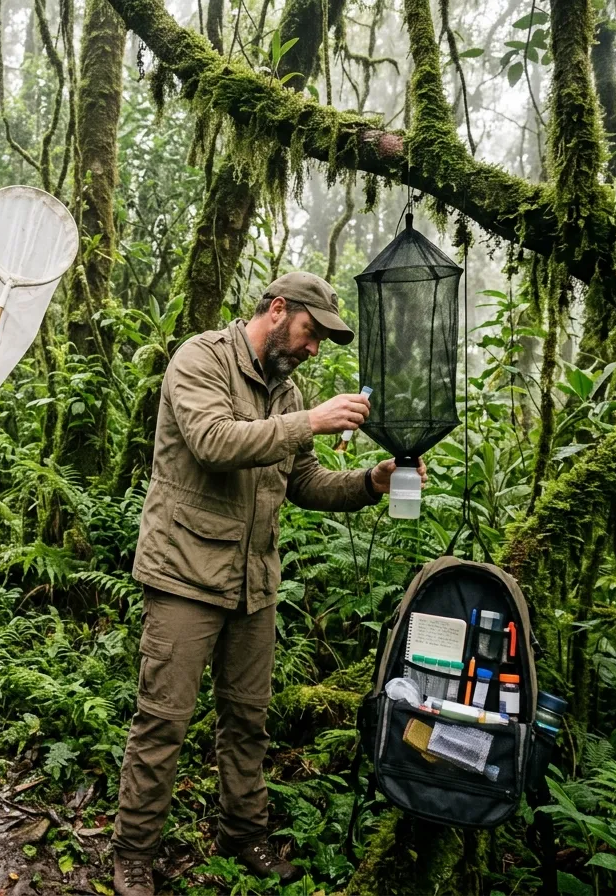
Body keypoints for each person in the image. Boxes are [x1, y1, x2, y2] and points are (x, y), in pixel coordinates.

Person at [111, 272, 428, 895]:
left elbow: (302, 481)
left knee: (247, 719)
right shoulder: (201, 358)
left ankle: (242, 834)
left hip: (253, 580)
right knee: (164, 719)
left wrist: (372, 481)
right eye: (311, 333)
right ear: (278, 310)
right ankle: (132, 852)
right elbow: (212, 442)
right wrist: (310, 419)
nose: (314, 349)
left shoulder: (287, 392)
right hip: (184, 573)